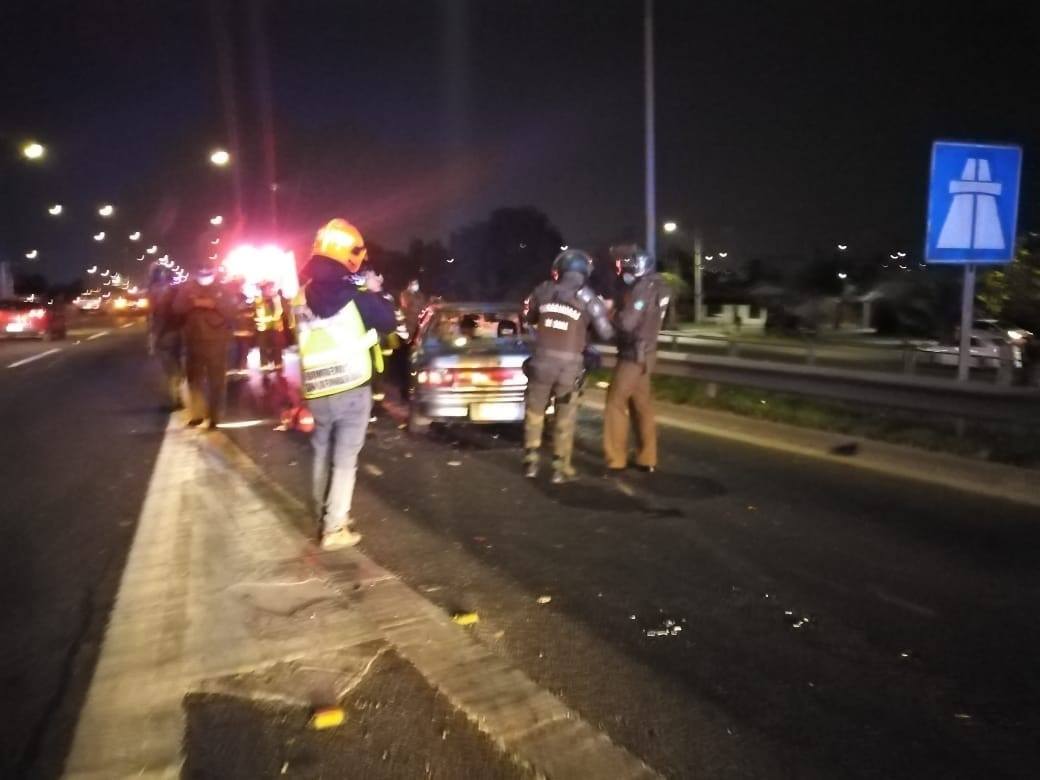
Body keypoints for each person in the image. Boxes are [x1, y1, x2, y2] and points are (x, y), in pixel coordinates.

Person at [294, 218, 396, 550]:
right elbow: (388, 321)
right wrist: (374, 291)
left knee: (321, 453)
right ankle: (334, 527)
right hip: (352, 386)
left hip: (317, 390)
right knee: (345, 460)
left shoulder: (300, 297)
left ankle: (324, 513)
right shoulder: (357, 296)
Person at [523, 249, 614, 483]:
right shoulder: (588, 298)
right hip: (569, 368)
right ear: (584, 272)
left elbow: (530, 318)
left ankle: (531, 461)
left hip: (541, 364)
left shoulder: (543, 291)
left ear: (560, 270)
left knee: (535, 413)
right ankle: (559, 468)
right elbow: (606, 333)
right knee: (565, 416)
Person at [604, 244, 671, 473]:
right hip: (649, 353)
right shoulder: (661, 286)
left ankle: (616, 460)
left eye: (626, 268)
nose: (623, 272)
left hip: (633, 354)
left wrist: (610, 312)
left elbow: (627, 322)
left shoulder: (642, 288)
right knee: (642, 404)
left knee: (615, 402)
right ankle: (647, 458)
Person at [173, 260, 237, 428]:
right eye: (201, 269)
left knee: (216, 381)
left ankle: (215, 416)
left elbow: (232, 311)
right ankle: (198, 414)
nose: (204, 273)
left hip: (216, 342)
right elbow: (177, 308)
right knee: (194, 380)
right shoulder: (187, 289)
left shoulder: (222, 289)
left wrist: (213, 304)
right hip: (193, 341)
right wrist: (192, 302)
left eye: (207, 269)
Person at [148, 268, 184, 410]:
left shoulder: (158, 294)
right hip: (180, 334)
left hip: (167, 335)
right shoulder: (178, 292)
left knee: (171, 369)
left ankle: (176, 399)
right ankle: (179, 396)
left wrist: (154, 338)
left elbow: (157, 318)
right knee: (177, 366)